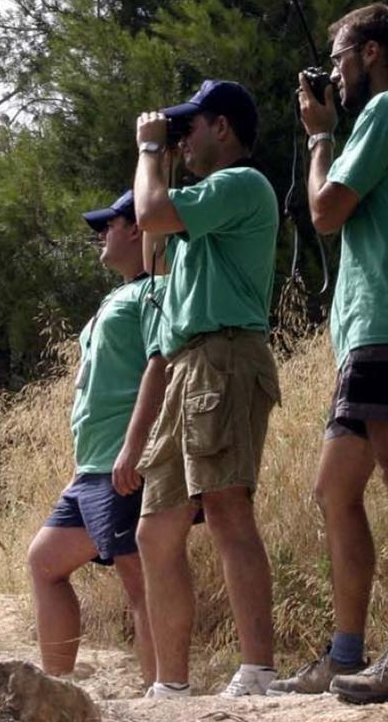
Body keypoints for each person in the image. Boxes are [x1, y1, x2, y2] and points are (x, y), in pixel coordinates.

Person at [272, 3, 388, 703]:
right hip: (378, 328)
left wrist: (320, 137)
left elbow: (324, 212)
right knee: (335, 487)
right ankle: (344, 654)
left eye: (341, 57)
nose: (335, 75)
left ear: (371, 53)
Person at [111, 80, 282, 699]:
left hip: (225, 358)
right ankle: (171, 684)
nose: (182, 139)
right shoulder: (195, 214)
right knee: (156, 529)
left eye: (192, 127)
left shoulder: (242, 184)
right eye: (174, 131)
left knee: (229, 509)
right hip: (189, 364)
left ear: (225, 130)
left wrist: (149, 150)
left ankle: (258, 670)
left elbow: (150, 213)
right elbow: (156, 240)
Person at [26, 190, 158, 686]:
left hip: (121, 464)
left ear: (138, 229)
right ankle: (57, 689)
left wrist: (135, 447)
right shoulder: (117, 295)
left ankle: (161, 695)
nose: (101, 235)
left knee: (139, 578)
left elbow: (160, 367)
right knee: (44, 561)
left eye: (110, 224)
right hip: (90, 470)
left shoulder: (155, 292)